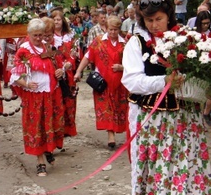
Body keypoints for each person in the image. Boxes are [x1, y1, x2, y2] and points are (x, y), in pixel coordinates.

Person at [121, 0, 211, 195]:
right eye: (148, 20)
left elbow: (202, 72)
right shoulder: (136, 43)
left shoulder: (185, 40)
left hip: (185, 121)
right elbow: (132, 81)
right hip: (152, 120)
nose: (154, 25)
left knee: (184, 175)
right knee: (154, 174)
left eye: (158, 19)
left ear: (169, 16)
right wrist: (164, 81)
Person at [9, 19, 65, 176]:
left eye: (41, 35)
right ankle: (40, 161)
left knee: (50, 124)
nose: (39, 38)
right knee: (36, 126)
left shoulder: (48, 48)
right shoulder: (24, 51)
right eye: (35, 35)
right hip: (34, 97)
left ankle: (48, 149)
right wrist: (26, 84)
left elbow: (58, 66)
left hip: (51, 93)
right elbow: (14, 75)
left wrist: (60, 72)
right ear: (29, 34)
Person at [74, 15, 127, 148]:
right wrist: (78, 71)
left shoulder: (125, 44)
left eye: (115, 30)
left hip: (120, 83)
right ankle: (111, 136)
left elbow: (134, 63)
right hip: (103, 82)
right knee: (106, 108)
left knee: (119, 107)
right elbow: (87, 57)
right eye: (110, 29)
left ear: (119, 30)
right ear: (106, 29)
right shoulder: (98, 41)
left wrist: (122, 67)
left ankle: (122, 133)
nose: (113, 32)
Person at [51, 10, 78, 137]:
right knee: (57, 100)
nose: (56, 22)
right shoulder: (49, 37)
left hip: (68, 72)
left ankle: (69, 127)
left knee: (69, 99)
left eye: (59, 19)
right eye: (54, 19)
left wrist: (70, 62)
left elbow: (74, 52)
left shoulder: (70, 35)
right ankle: (58, 127)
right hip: (55, 72)